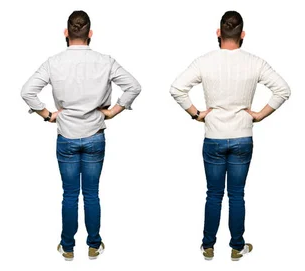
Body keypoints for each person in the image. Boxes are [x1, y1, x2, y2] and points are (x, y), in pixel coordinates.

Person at [169, 10, 291, 261]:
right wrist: (258, 115)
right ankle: (237, 246)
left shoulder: (204, 61)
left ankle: (208, 246)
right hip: (242, 137)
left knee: (213, 194)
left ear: (218, 33)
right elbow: (283, 90)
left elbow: (177, 88)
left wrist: (197, 114)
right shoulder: (255, 62)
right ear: (242, 34)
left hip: (213, 136)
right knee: (236, 194)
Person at [20, 10, 141, 261]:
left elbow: (27, 91)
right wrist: (113, 112)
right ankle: (94, 245)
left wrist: (47, 114)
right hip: (95, 133)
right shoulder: (105, 61)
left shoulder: (54, 62)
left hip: (66, 135)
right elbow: (134, 86)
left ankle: (67, 247)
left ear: (66, 33)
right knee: (92, 193)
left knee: (69, 194)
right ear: (90, 34)